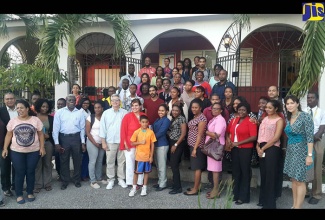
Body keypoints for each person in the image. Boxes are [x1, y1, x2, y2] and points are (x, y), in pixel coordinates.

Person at [1, 99, 45, 204]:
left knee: (30, 171)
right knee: (20, 172)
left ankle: (30, 192)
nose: (19, 110)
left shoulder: (35, 120)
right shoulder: (13, 121)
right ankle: (19, 194)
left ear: (27, 108)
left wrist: (42, 147)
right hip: (16, 151)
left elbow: (40, 134)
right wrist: (5, 148)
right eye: (18, 108)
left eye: (21, 108)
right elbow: (8, 135)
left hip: (33, 151)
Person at [283, 95, 314, 209]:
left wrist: (309, 155)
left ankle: (298, 207)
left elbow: (310, 137)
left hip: (302, 151)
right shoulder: (289, 117)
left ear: (297, 104)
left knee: (300, 180)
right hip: (291, 152)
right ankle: (294, 205)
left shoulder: (305, 117)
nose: (289, 105)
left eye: (292, 103)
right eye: (287, 103)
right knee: (293, 179)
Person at [52, 94, 86, 190]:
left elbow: (82, 129)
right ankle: (65, 181)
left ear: (76, 101)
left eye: (73, 100)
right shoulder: (59, 112)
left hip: (76, 138)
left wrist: (83, 142)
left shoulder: (80, 113)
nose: (71, 101)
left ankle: (76, 180)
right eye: (69, 99)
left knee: (77, 160)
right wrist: (57, 143)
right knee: (64, 160)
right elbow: (55, 129)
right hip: (64, 139)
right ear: (66, 101)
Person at [227, 102, 257, 205]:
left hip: (245, 149)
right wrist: (229, 140)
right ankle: (236, 194)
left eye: (243, 110)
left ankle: (244, 197)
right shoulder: (234, 119)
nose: (241, 112)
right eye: (239, 110)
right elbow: (228, 131)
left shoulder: (251, 121)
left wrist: (238, 143)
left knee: (245, 173)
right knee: (236, 172)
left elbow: (253, 137)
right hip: (234, 149)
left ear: (248, 111)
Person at [256, 100, 284, 209]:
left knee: (270, 176)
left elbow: (276, 138)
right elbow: (260, 134)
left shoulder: (279, 120)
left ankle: (270, 204)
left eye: (270, 108)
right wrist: (258, 147)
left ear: (276, 109)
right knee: (264, 174)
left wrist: (263, 148)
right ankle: (263, 200)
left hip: (272, 149)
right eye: (266, 107)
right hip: (261, 148)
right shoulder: (264, 119)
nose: (267, 109)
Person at [100, 95, 128, 189]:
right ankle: (111, 180)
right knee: (110, 161)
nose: (115, 102)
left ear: (120, 102)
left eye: (117, 100)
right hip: (110, 141)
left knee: (122, 161)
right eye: (113, 101)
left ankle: (121, 179)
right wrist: (103, 142)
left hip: (122, 141)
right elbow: (102, 129)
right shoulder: (106, 113)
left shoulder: (125, 113)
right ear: (110, 102)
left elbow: (127, 128)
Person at [304, 91, 325, 205]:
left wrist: (314, 137)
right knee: (306, 166)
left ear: (317, 100)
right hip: (304, 141)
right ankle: (305, 191)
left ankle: (316, 194)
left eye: (312, 97)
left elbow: (322, 127)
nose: (309, 99)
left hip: (317, 141)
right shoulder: (303, 112)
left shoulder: (322, 112)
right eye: (308, 98)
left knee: (316, 167)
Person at [120, 99, 146, 187]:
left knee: (140, 162)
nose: (134, 107)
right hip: (129, 143)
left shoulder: (144, 115)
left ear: (140, 106)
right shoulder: (127, 116)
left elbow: (146, 129)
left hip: (141, 143)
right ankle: (131, 182)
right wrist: (125, 143)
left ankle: (139, 181)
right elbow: (123, 130)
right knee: (130, 162)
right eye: (133, 105)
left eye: (136, 105)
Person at [129, 115, 156, 197]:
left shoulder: (150, 132)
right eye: (143, 122)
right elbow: (132, 143)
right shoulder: (137, 132)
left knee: (146, 173)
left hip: (147, 157)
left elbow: (152, 144)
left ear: (148, 123)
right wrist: (140, 142)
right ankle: (134, 188)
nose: (144, 124)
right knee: (136, 173)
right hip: (139, 156)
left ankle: (144, 188)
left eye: (146, 122)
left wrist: (151, 156)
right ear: (140, 122)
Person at [184, 98, 207, 196]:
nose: (194, 109)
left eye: (196, 107)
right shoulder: (195, 116)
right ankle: (197, 186)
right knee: (196, 168)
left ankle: (195, 189)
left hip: (197, 146)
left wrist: (194, 149)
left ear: (200, 108)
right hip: (193, 145)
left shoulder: (202, 118)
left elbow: (200, 135)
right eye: (192, 107)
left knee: (197, 168)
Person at [205, 102, 227, 199]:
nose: (214, 110)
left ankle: (216, 190)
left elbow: (216, 134)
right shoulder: (215, 119)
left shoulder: (220, 120)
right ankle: (214, 189)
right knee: (213, 169)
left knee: (215, 170)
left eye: (217, 109)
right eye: (213, 108)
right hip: (211, 147)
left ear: (221, 110)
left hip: (216, 147)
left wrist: (204, 131)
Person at [34, 99, 55, 193]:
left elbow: (54, 131)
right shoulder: (33, 117)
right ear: (39, 106)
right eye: (43, 106)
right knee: (37, 164)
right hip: (35, 144)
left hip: (47, 143)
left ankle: (47, 183)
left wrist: (49, 136)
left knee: (47, 163)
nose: (45, 108)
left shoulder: (51, 118)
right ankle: (38, 185)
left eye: (46, 107)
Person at [86, 100, 107, 189]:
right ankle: (93, 180)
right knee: (92, 161)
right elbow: (87, 132)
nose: (97, 109)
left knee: (99, 161)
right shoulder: (90, 117)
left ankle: (99, 178)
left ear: (102, 108)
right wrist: (95, 143)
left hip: (102, 143)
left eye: (99, 107)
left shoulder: (105, 117)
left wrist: (103, 143)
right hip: (92, 142)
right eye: (95, 108)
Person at [0, 92, 18, 197]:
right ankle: (6, 187)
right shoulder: (1, 111)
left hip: (18, 143)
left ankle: (16, 185)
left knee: (17, 166)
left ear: (15, 99)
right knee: (4, 167)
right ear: (4, 100)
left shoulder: (20, 109)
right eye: (7, 99)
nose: (9, 100)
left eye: (11, 98)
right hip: (4, 144)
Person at [167, 103, 187, 194]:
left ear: (180, 111)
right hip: (172, 142)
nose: (174, 112)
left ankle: (178, 187)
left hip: (177, 144)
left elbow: (183, 134)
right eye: (173, 110)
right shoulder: (174, 118)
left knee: (174, 165)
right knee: (173, 164)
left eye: (176, 110)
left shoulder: (182, 119)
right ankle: (175, 183)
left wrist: (175, 145)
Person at [152, 103, 171, 191]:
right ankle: (160, 181)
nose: (160, 112)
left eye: (163, 110)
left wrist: (150, 138)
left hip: (162, 145)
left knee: (162, 165)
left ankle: (163, 184)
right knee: (158, 165)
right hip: (156, 144)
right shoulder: (157, 119)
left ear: (167, 111)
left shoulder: (166, 120)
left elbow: (161, 132)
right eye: (159, 110)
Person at [78, 97, 94, 182]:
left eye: (87, 103)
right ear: (81, 103)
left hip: (89, 135)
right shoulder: (80, 112)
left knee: (87, 157)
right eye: (84, 103)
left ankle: (86, 174)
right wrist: (82, 142)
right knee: (83, 157)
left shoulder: (89, 112)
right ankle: (83, 175)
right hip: (83, 136)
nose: (86, 105)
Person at [50, 98, 66, 181]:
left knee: (65, 156)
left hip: (65, 138)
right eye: (58, 104)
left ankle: (65, 173)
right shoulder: (53, 115)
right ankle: (59, 173)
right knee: (58, 157)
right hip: (56, 138)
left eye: (61, 104)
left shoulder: (67, 114)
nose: (59, 105)